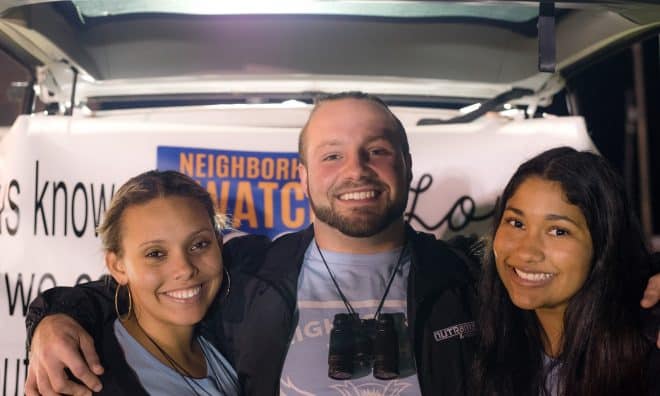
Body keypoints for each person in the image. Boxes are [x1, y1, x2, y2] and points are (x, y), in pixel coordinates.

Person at [23, 92, 660, 396]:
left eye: (377, 151)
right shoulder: (244, 270)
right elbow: (137, 290)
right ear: (303, 175)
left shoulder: (470, 276)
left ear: (407, 167)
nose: (355, 170)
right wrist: (52, 317)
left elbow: (601, 272)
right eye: (332, 155)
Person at [473, 147, 659, 396]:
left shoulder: (649, 347)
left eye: (558, 231)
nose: (527, 252)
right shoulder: (484, 334)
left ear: (604, 243)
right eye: (516, 223)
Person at [65, 170, 240, 395]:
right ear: (118, 267)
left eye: (199, 244)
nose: (185, 269)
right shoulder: (85, 378)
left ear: (218, 244)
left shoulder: (232, 342)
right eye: (156, 254)